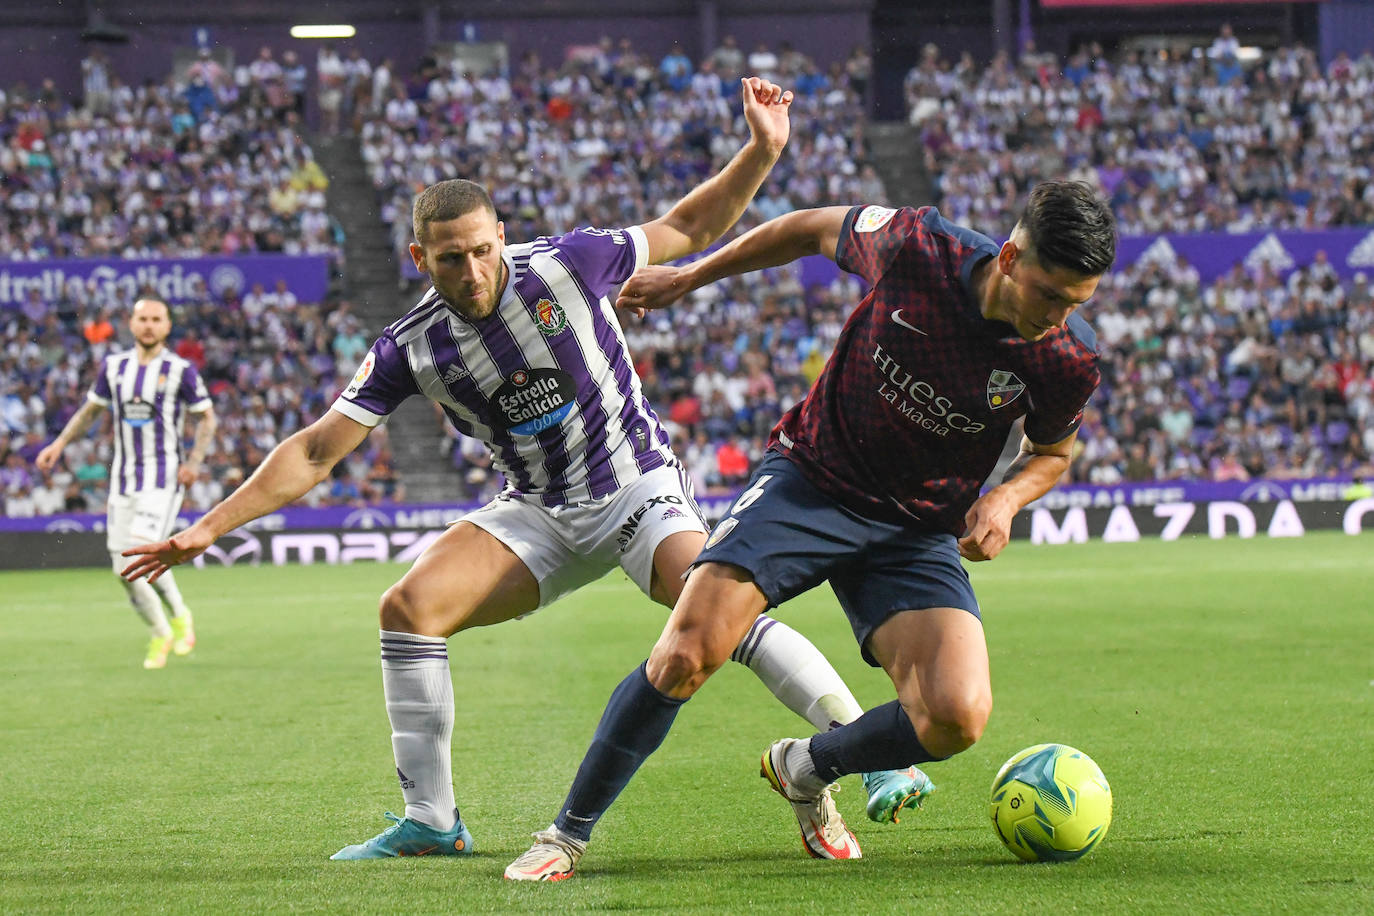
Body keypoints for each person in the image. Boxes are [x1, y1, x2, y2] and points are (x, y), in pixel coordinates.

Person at [121, 77, 931, 862]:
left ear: (498, 233)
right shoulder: (411, 345)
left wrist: (762, 150)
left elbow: (691, 222)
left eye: (480, 251)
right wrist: (204, 529)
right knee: (407, 608)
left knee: (713, 607)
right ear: (417, 257)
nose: (471, 273)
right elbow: (314, 450)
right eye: (449, 261)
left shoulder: (571, 263)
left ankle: (871, 755)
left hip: (635, 487)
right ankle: (432, 821)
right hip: (538, 510)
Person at [506, 179, 1116, 880]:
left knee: (956, 716)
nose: (1059, 316)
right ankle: (565, 835)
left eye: (1077, 303)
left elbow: (1053, 455)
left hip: (915, 527)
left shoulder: (1067, 357)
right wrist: (690, 276)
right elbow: (804, 229)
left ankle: (804, 766)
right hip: (811, 480)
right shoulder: (919, 247)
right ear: (1010, 258)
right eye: (1050, 295)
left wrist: (1006, 501)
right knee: (687, 650)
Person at [37, 298, 218, 669]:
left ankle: (173, 623)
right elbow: (90, 412)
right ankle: (165, 627)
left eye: (156, 319)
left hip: (163, 478)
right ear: (131, 324)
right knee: (122, 570)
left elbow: (206, 418)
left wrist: (195, 462)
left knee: (142, 549)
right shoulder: (114, 367)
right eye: (142, 319)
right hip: (122, 481)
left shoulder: (180, 369)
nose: (149, 325)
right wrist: (59, 443)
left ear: (167, 326)